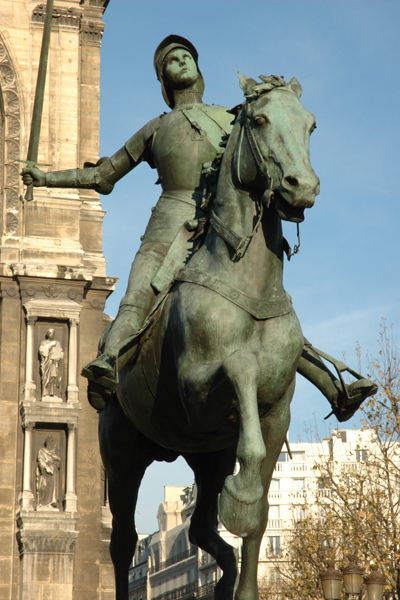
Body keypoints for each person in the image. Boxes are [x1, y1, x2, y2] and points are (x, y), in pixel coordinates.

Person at [22, 35, 376, 415]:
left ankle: (331, 384)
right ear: (164, 80)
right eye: (172, 60)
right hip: (170, 222)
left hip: (224, 221)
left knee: (264, 301)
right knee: (139, 293)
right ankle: (108, 363)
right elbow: (104, 176)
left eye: (187, 56)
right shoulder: (156, 128)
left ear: (198, 68)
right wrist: (46, 178)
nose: (182, 62)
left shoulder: (232, 116)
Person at [36, 436, 61, 509]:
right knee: (44, 487)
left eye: (51, 442)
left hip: (54, 472)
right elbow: (41, 460)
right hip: (45, 472)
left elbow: (59, 461)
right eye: (48, 442)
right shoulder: (42, 451)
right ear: (46, 443)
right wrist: (46, 467)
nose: (50, 443)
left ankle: (53, 501)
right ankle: (43, 502)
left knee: (53, 488)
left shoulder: (55, 452)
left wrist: (56, 464)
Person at [39, 328, 64, 397]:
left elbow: (61, 351)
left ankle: (54, 393)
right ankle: (46, 393)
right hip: (48, 362)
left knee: (54, 377)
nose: (51, 334)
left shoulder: (57, 343)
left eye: (53, 333)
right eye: (50, 333)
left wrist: (60, 356)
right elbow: (41, 351)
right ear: (47, 334)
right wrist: (50, 345)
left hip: (55, 362)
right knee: (47, 378)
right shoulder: (44, 342)